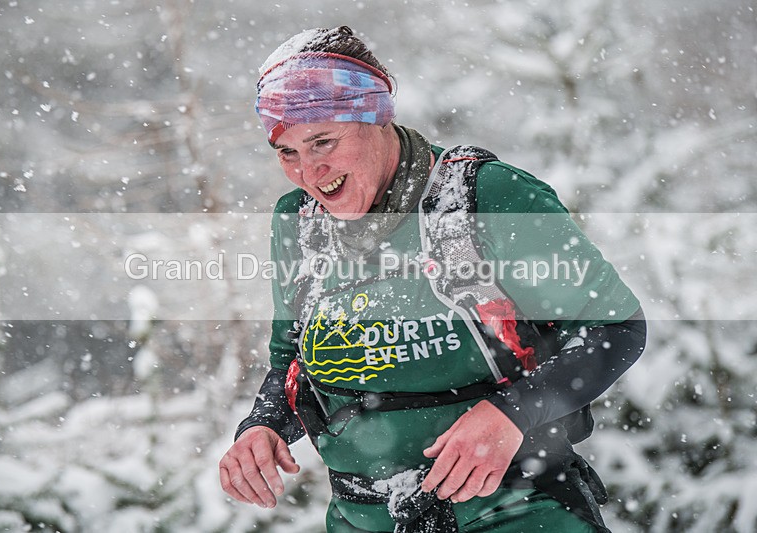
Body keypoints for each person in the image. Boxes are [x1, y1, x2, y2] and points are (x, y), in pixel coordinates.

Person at [219, 26, 647, 533]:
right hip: (365, 517)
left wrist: (510, 414)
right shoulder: (299, 222)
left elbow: (614, 328)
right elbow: (291, 361)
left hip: (515, 507)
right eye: (287, 152)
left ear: (378, 115)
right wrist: (264, 425)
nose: (311, 171)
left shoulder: (485, 196)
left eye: (323, 141)